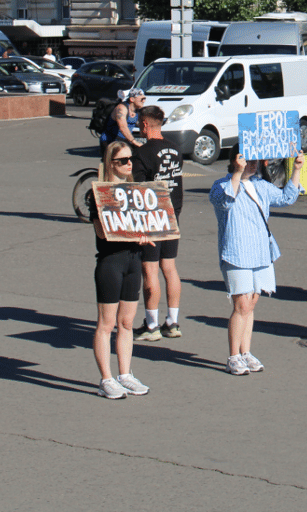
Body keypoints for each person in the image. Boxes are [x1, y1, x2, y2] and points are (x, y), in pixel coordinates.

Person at [210, 148, 304, 375]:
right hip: (236, 252)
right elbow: (225, 201)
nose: (253, 164)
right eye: (247, 160)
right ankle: (233, 356)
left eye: (255, 160)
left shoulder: (260, 185)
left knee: (251, 304)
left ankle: (246, 352)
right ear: (236, 160)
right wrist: (237, 173)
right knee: (241, 305)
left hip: (261, 251)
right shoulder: (220, 185)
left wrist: (297, 169)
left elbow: (287, 197)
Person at [90, 141, 152, 398]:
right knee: (106, 324)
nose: (129, 164)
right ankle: (106, 379)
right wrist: (132, 234)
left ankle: (125, 374)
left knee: (126, 323)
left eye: (131, 159)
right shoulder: (99, 194)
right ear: (111, 164)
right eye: (123, 160)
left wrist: (145, 233)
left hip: (133, 260)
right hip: (111, 262)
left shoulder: (136, 192)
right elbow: (101, 232)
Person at [131, 106, 185, 341]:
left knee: (150, 269)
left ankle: (151, 325)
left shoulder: (142, 153)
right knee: (169, 267)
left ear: (145, 125)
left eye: (139, 123)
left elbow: (137, 190)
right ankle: (172, 322)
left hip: (152, 217)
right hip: (172, 213)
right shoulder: (175, 148)